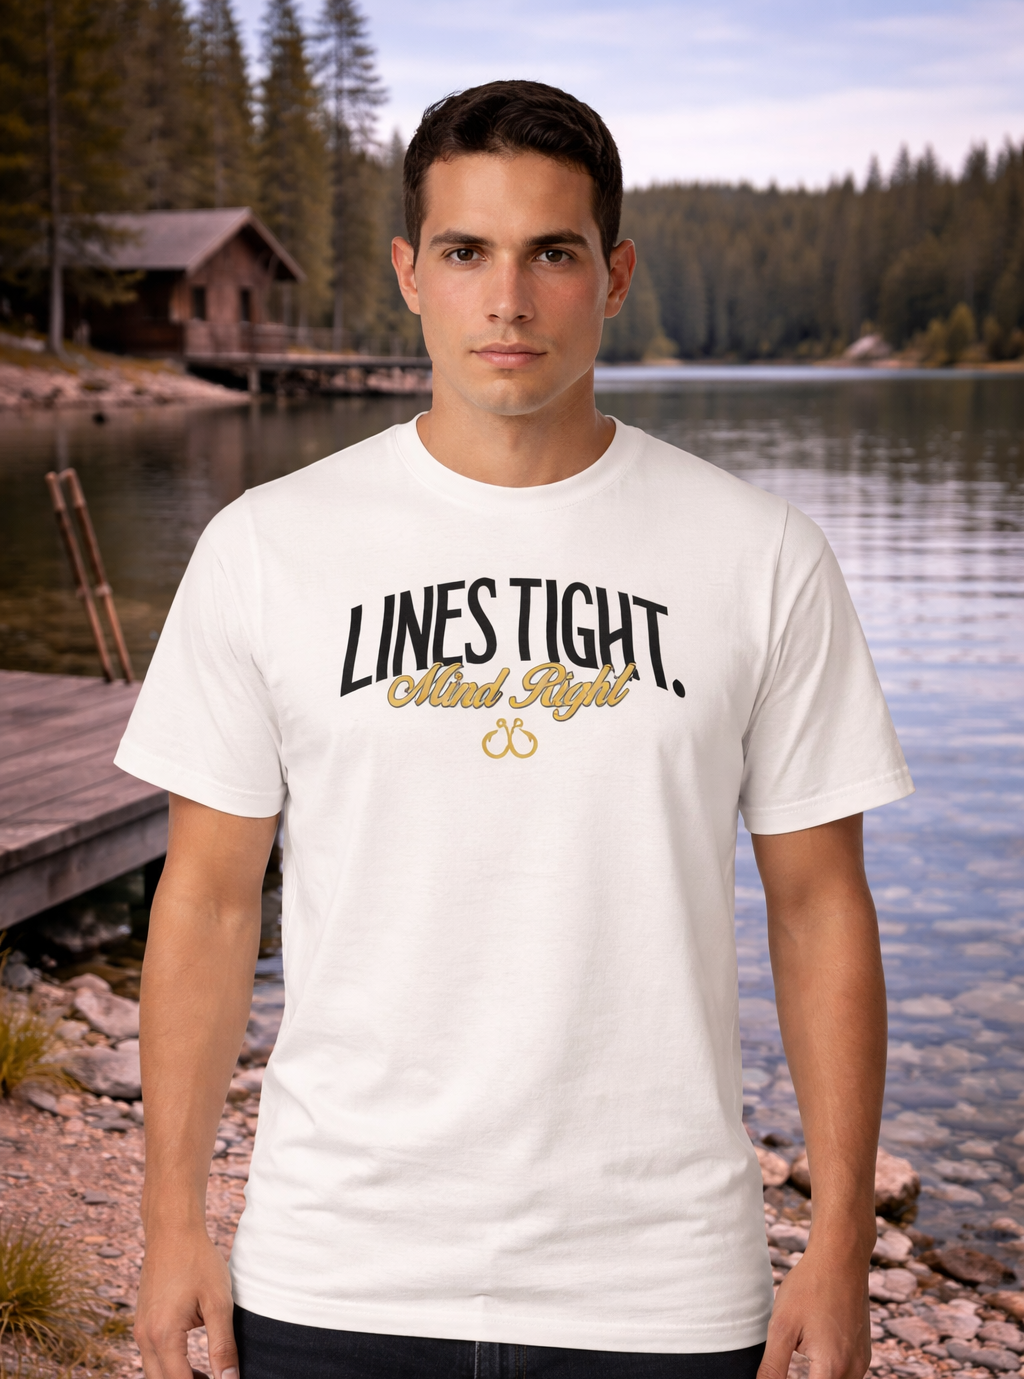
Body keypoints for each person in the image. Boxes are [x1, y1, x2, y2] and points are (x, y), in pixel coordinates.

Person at [121, 80, 913, 1379]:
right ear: (408, 272)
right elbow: (207, 901)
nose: (508, 300)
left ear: (613, 274)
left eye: (552, 252)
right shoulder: (268, 549)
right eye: (466, 252)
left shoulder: (761, 558)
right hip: (339, 1271)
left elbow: (822, 906)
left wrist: (837, 1249)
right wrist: (170, 1224)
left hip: (659, 1288)